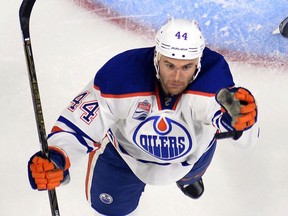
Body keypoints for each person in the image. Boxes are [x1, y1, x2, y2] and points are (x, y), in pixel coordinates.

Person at [28, 18, 259, 215]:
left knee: (192, 165)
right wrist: (56, 157)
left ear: (198, 63)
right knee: (111, 211)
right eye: (169, 65)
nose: (177, 76)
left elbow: (243, 137)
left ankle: (187, 178)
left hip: (189, 156)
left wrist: (242, 123)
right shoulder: (121, 75)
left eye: (187, 67)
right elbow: (78, 126)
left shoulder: (213, 80)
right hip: (125, 158)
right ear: (156, 56)